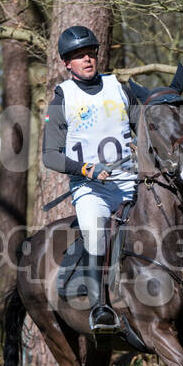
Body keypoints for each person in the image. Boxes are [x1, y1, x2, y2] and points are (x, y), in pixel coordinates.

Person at [42, 25, 138, 330]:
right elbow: (50, 155)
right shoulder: (63, 97)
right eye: (79, 56)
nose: (87, 59)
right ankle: (100, 309)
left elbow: (146, 126)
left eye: (91, 54)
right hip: (91, 188)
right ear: (66, 63)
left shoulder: (118, 87)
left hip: (129, 180)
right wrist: (87, 169)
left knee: (167, 211)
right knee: (96, 232)